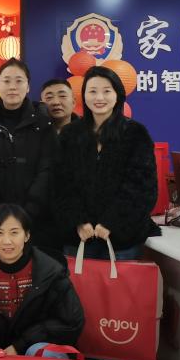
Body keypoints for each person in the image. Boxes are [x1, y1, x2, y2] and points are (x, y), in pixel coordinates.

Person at [54, 65, 159, 260]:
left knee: (122, 281)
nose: (99, 98)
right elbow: (60, 183)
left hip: (122, 240)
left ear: (118, 95)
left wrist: (112, 222)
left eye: (106, 91)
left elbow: (142, 187)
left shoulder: (135, 133)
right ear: (84, 95)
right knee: (75, 281)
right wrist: (78, 220)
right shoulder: (70, 134)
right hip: (78, 237)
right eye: (92, 91)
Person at [0, 204, 84, 360]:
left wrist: (20, 346)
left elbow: (71, 321)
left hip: (33, 352)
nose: (6, 241)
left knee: (42, 352)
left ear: (27, 235)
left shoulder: (51, 271)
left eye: (14, 232)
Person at [0, 59, 61, 263]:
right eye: (6, 81)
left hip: (38, 219)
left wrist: (28, 212)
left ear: (28, 86)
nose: (12, 87)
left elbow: (48, 169)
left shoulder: (44, 122)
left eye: (19, 81)